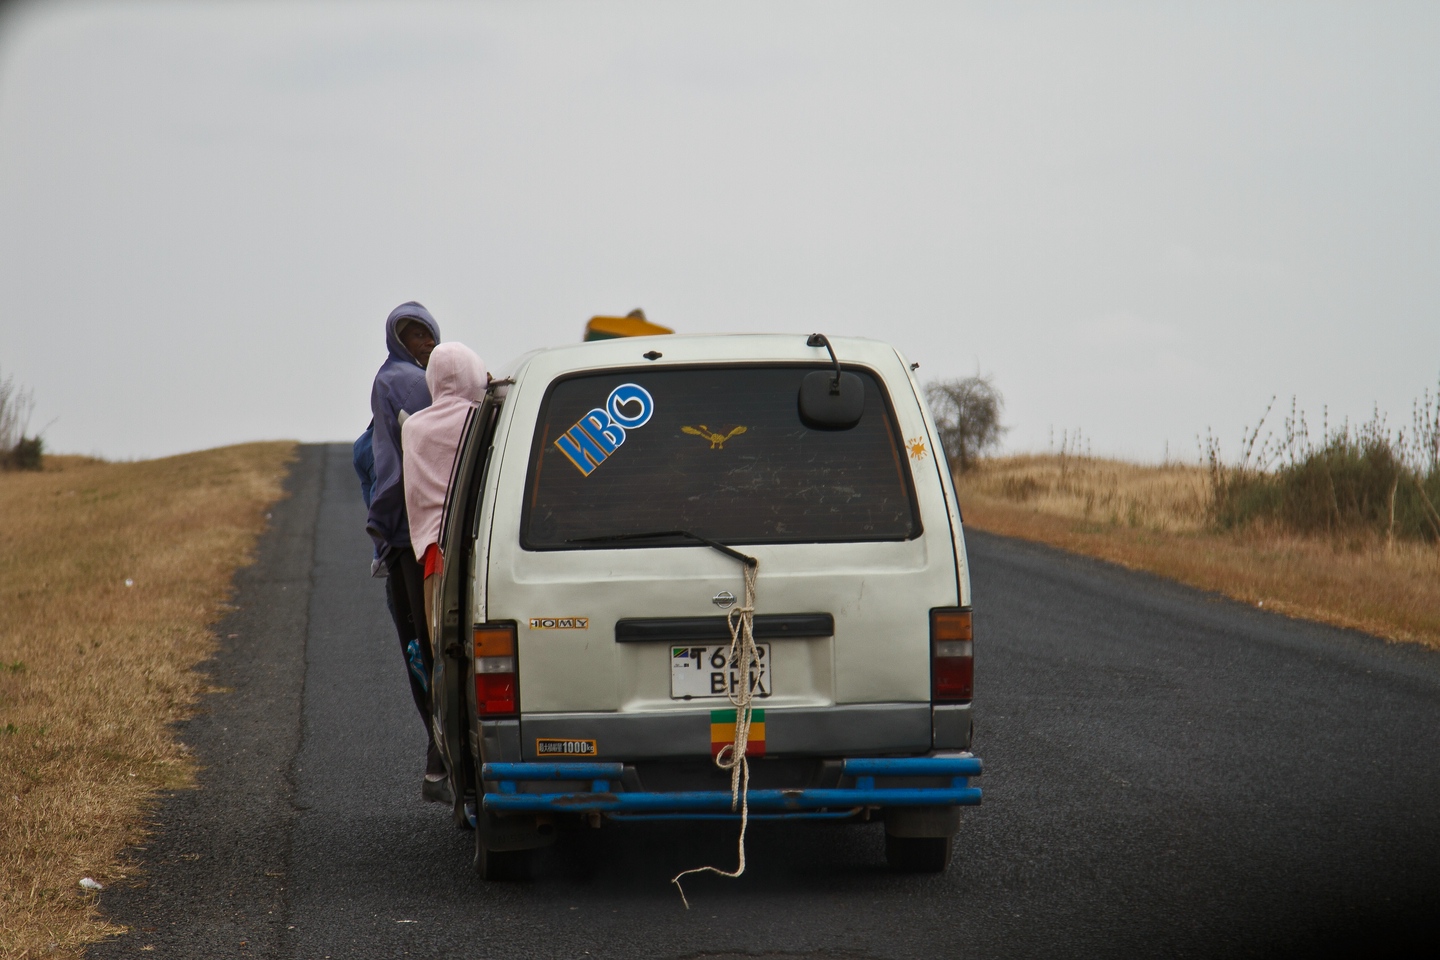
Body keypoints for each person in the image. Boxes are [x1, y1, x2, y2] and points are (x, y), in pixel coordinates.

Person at [366, 301, 448, 802]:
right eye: (413, 334)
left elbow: (389, 469)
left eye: (426, 332)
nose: (423, 341)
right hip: (449, 537)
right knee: (442, 647)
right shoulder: (435, 383)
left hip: (408, 543)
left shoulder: (392, 382)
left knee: (421, 648)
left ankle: (438, 754)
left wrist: (380, 528)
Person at [401, 342, 488, 633]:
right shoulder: (481, 419)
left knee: (443, 650)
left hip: (434, 553)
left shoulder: (413, 429)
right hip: (482, 544)